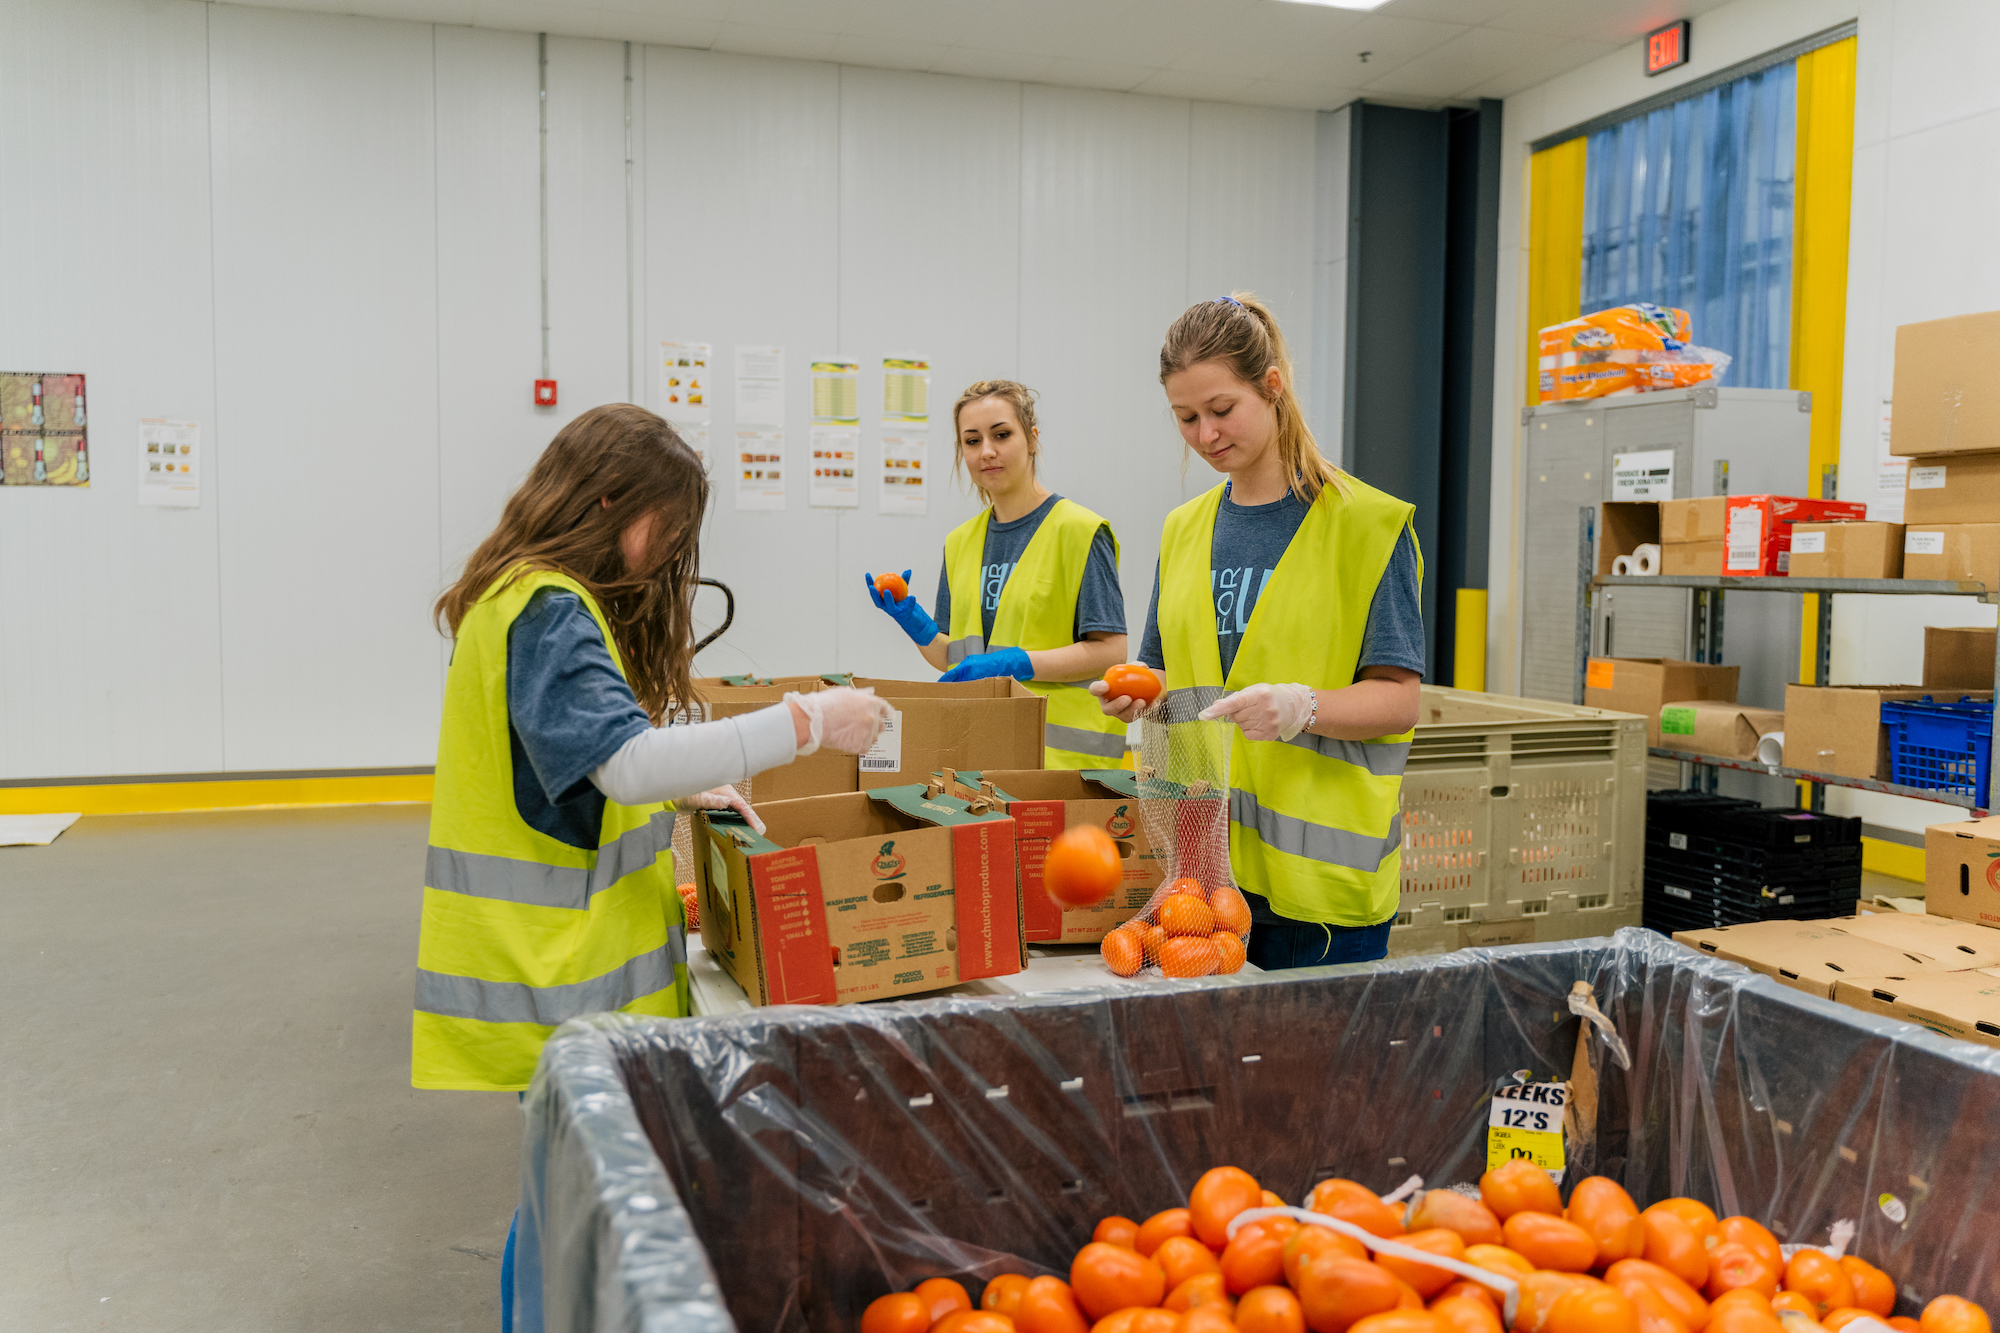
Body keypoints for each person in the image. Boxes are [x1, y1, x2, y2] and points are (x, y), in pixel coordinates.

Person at [409, 404, 890, 1330]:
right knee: (571, 1207)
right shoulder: (550, 608)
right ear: (608, 502)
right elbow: (621, 760)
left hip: (543, 967)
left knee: (562, 1192)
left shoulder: (512, 596)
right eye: (665, 530)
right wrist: (806, 724)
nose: (666, 555)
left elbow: (575, 767)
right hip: (557, 973)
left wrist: (683, 790)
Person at [1093, 294, 1424, 971]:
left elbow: (1399, 698)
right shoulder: (1184, 529)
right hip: (1204, 889)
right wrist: (1138, 695)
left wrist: (1305, 706)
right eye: (1186, 418)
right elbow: (1166, 674)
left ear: (1272, 386)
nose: (1206, 433)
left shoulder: (1366, 526)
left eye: (1222, 410)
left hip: (1320, 900)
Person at [864, 379, 1130, 769]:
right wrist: (914, 622)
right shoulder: (960, 542)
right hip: (983, 760)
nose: (987, 451)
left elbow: (1111, 650)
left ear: (1032, 438)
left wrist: (1014, 663)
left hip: (1063, 769)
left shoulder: (1079, 531)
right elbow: (957, 660)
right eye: (972, 441)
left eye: (1001, 435)